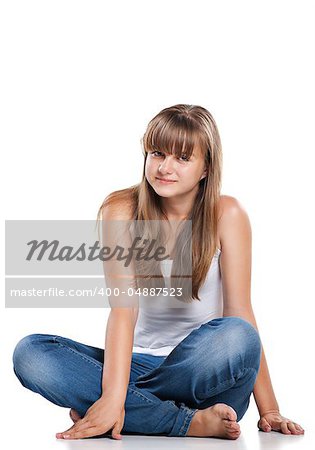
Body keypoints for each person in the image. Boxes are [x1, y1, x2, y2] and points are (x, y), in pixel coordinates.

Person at [12, 104, 305, 440]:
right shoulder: (121, 210)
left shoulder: (228, 214)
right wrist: (112, 394)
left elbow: (240, 312)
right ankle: (183, 422)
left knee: (237, 334)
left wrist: (269, 410)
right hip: (137, 367)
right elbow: (124, 311)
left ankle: (123, 409)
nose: (165, 167)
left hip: (206, 377)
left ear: (206, 167)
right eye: (157, 153)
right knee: (31, 353)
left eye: (182, 158)